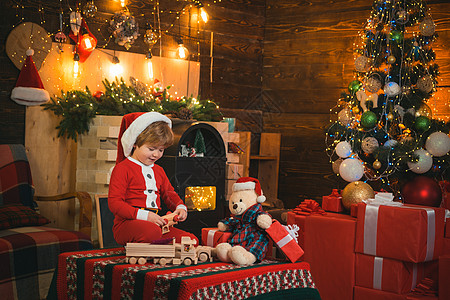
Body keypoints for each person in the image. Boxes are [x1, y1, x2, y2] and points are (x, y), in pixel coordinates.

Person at [108, 112, 198, 245]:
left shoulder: (158, 170)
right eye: (151, 148)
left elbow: (169, 194)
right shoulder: (122, 169)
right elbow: (115, 204)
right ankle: (155, 245)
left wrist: (180, 207)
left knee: (191, 241)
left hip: (156, 225)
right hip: (126, 225)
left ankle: (155, 246)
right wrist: (145, 216)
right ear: (135, 143)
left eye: (161, 150)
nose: (156, 154)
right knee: (152, 232)